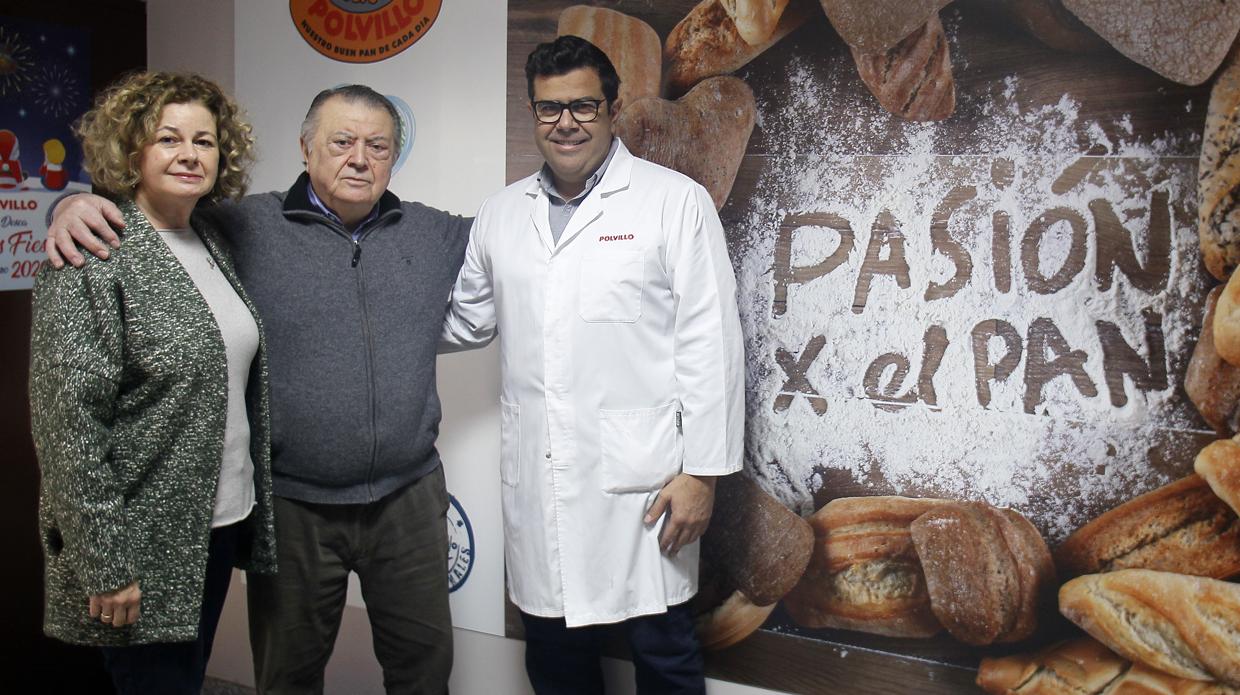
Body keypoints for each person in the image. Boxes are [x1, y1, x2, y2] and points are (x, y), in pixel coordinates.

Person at [45, 84, 471, 695]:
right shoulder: (239, 228)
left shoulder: (433, 233)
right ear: (305, 148)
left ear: (394, 157)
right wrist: (71, 205)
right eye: (342, 142)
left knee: (424, 671)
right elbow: (149, 218)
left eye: (378, 146)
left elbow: (521, 232)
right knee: (287, 675)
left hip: (406, 500)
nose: (360, 159)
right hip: (292, 506)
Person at [441, 35, 745, 693]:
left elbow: (712, 342)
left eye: (583, 105)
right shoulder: (500, 215)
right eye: (550, 109)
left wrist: (704, 473)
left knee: (663, 654)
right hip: (541, 481)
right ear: (534, 113)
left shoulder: (672, 202)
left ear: (611, 110)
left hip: (647, 482)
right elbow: (463, 320)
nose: (566, 122)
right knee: (554, 659)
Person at [29, 71, 277, 695]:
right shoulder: (93, 253)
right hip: (138, 539)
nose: (190, 154)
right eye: (168, 138)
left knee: (183, 682)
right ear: (130, 150)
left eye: (205, 141)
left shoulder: (211, 238)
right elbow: (67, 430)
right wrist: (104, 563)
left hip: (215, 524)